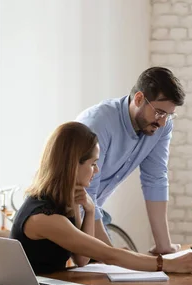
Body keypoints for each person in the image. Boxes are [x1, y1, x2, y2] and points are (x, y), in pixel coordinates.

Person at [10, 121, 192, 275]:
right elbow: (108, 255)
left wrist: (90, 210)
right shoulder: (45, 217)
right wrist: (170, 264)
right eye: (93, 163)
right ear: (73, 165)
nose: (97, 170)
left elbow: (81, 259)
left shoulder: (62, 201)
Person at [76, 67, 185, 255]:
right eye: (159, 112)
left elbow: (156, 179)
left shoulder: (161, 126)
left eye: (168, 115)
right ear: (139, 98)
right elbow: (86, 193)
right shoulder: (97, 123)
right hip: (65, 212)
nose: (162, 122)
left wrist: (164, 246)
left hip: (92, 212)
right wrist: (115, 255)